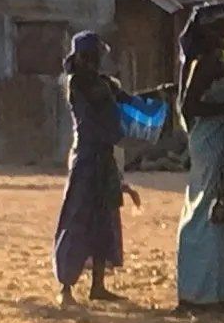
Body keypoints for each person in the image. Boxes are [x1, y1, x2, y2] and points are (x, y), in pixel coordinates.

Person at [54, 31, 155, 307]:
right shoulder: (77, 84)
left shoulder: (103, 84)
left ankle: (97, 286)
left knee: (104, 221)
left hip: (104, 156)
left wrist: (158, 97)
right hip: (86, 158)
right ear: (81, 58)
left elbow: (126, 102)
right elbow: (103, 110)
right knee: (77, 220)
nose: (95, 61)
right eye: (91, 56)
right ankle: (65, 286)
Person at [176, 4, 224, 310]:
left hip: (220, 141)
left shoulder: (213, 62)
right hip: (208, 140)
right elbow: (188, 106)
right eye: (221, 27)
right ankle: (196, 294)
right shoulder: (203, 64)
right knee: (204, 210)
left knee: (222, 212)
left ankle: (223, 293)